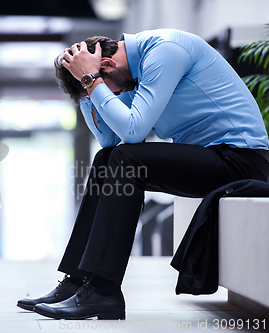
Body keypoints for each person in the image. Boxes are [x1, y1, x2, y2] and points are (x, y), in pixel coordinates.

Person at [16, 29, 269, 320]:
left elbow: (133, 132)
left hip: (242, 160)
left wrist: (91, 80)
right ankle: (78, 281)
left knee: (126, 159)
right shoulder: (129, 74)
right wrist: (87, 88)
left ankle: (103, 290)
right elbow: (110, 140)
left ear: (107, 66)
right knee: (106, 159)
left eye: (103, 87)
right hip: (213, 158)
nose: (114, 95)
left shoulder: (165, 51)